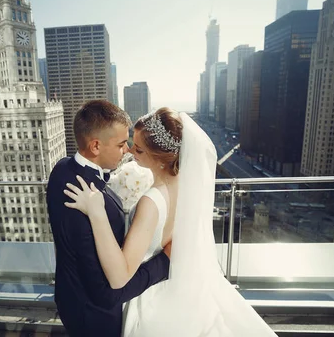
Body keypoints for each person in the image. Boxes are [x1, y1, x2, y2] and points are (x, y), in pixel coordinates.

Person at [64, 108, 278, 336]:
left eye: (138, 149)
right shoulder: (189, 188)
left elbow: (119, 278)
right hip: (178, 287)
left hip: (150, 296)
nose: (130, 152)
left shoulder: (151, 202)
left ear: (159, 157)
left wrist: (96, 212)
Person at [46, 100, 171, 337]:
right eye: (122, 144)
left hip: (69, 298)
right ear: (95, 146)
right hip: (94, 318)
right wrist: (164, 262)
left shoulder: (61, 168)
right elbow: (106, 294)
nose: (127, 150)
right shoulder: (83, 203)